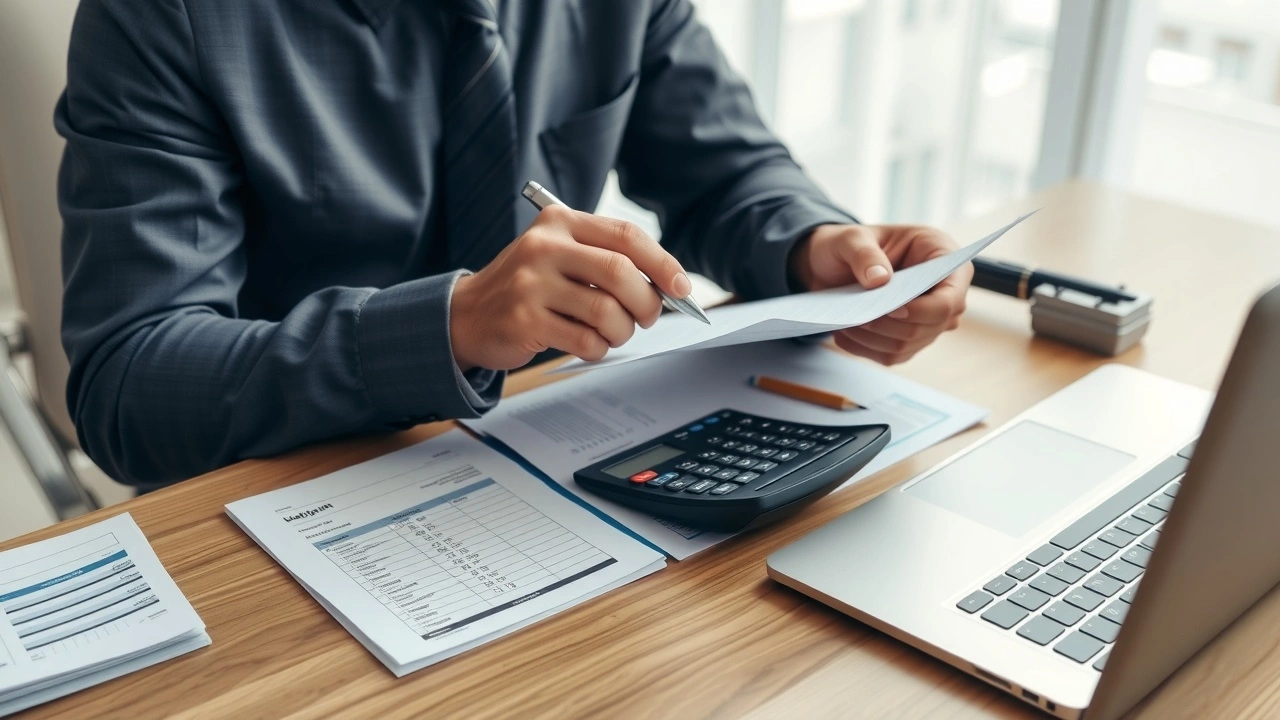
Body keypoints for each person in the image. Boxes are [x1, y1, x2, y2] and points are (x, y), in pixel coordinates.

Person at [56, 0, 973, 487]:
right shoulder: (163, 13)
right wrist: (449, 326)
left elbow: (727, 172)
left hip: (564, 463)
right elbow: (129, 386)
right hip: (289, 499)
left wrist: (815, 246)